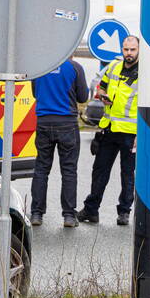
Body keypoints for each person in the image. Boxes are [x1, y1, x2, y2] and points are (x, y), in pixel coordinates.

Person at [78, 36, 140, 226]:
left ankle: (124, 212)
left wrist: (141, 135)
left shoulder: (145, 73)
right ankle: (91, 210)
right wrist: (102, 95)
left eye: (132, 50)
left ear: (138, 51)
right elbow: (101, 86)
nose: (128, 53)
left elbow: (148, 107)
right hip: (109, 128)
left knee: (127, 174)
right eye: (126, 49)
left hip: (131, 132)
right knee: (100, 171)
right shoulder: (114, 66)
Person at [29, 57, 89, 227]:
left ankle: (36, 214)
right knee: (69, 170)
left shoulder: (39, 66)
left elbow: (35, 93)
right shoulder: (75, 67)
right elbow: (83, 97)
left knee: (41, 169)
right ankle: (69, 216)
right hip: (67, 123)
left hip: (44, 122)